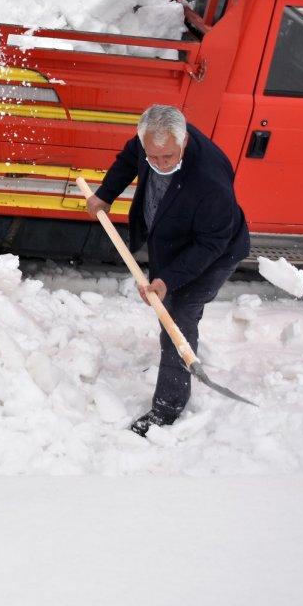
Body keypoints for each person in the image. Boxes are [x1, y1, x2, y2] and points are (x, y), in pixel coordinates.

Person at [87, 104, 250, 436]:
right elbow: (129, 157)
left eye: (168, 158)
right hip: (175, 240)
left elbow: (210, 244)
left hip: (211, 254)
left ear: (184, 141)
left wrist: (167, 280)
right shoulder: (151, 143)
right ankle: (172, 355)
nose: (160, 164)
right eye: (154, 157)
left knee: (178, 315)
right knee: (169, 314)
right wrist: (106, 195)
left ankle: (167, 407)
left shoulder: (210, 182)